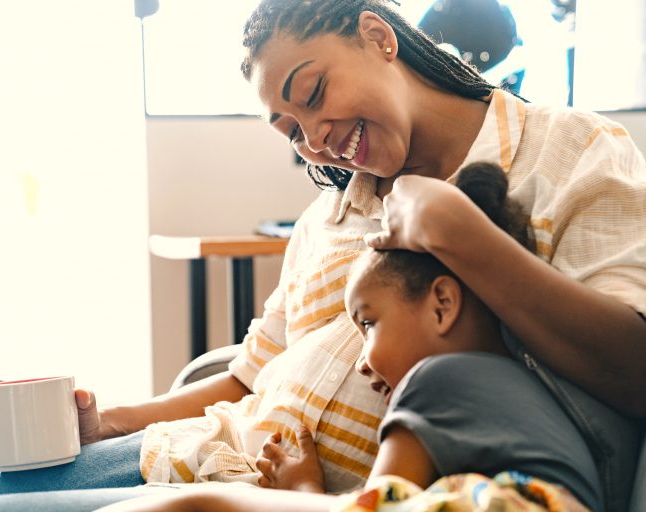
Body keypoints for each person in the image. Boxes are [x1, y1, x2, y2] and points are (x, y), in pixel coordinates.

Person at [0, 0, 646, 510]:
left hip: (292, 494)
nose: (314, 139)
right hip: (207, 451)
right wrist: (114, 421)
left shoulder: (572, 151)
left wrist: (457, 232)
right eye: (290, 130)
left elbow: (642, 369)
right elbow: (244, 377)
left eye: (313, 91)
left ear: (379, 37)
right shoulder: (332, 212)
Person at [91, 162, 600, 512]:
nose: (362, 361)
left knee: (196, 505)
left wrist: (304, 487)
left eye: (369, 323)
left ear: (443, 304)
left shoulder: (439, 381)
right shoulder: (529, 385)